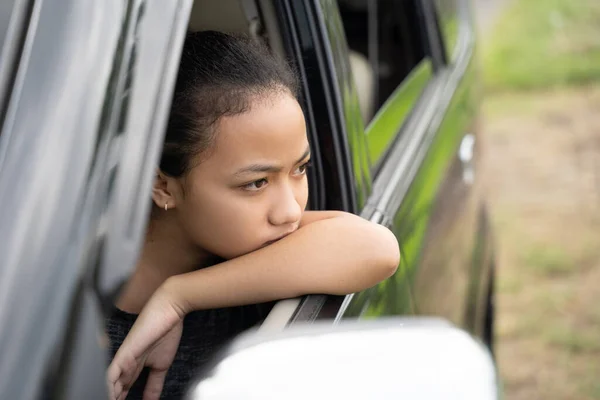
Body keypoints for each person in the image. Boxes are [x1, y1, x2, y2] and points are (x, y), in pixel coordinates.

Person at [106, 31, 400, 400]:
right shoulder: (73, 313)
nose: (291, 210)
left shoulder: (256, 258)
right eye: (256, 184)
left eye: (301, 168)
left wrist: (180, 296)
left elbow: (377, 248)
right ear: (163, 186)